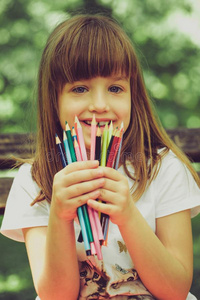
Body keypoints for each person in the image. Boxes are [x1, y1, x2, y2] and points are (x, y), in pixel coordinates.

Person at [1, 14, 200, 300]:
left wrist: (128, 215)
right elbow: (55, 296)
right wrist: (60, 214)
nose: (99, 104)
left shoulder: (163, 169)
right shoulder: (35, 180)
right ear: (54, 99)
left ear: (135, 96)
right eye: (80, 89)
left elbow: (176, 290)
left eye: (115, 88)